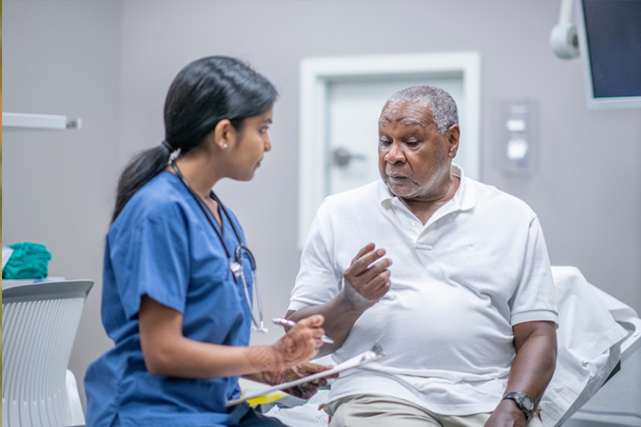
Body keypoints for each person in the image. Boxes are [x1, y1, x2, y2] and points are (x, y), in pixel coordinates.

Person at [286, 85, 558, 427]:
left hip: (487, 396)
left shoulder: (513, 217)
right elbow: (296, 342)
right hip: (380, 394)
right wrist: (350, 301)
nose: (392, 156)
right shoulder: (339, 213)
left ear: (451, 142)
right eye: (385, 141)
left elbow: (537, 334)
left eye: (411, 142)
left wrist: (515, 406)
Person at [85, 56, 330, 427]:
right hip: (154, 413)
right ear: (224, 134)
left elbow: (211, 346)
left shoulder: (218, 214)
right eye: (262, 129)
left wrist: (282, 372)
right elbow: (163, 353)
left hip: (216, 407)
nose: (268, 145)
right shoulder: (159, 212)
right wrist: (270, 356)